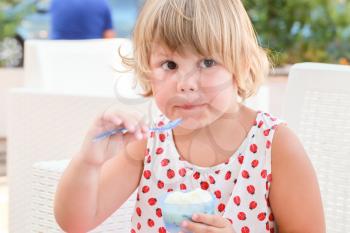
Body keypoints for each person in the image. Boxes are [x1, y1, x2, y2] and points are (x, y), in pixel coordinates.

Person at [54, 0, 326, 232]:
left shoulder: (274, 146)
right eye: (169, 64)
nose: (186, 83)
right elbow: (76, 222)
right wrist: (88, 162)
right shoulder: (148, 143)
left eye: (207, 63)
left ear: (240, 63)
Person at [50, 0, 115, 39]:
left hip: (59, 55)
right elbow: (108, 36)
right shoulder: (102, 3)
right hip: (92, 55)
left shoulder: (56, 2)